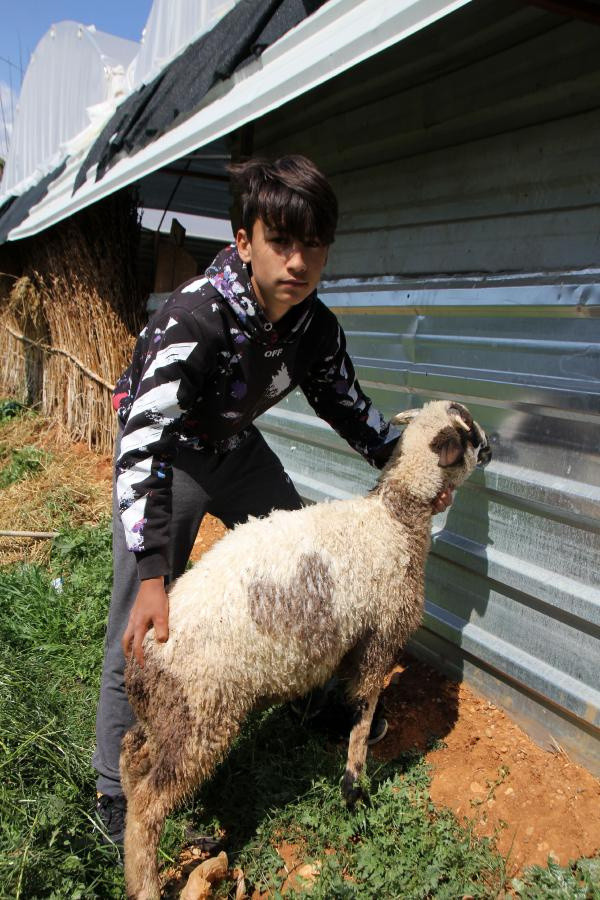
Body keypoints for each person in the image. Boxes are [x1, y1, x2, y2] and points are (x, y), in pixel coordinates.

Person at [93, 155, 452, 846]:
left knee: (305, 557)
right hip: (167, 455)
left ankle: (316, 695)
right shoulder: (194, 317)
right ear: (243, 239)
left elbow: (349, 407)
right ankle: (116, 783)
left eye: (312, 243)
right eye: (280, 241)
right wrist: (151, 571)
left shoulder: (312, 325)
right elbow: (142, 439)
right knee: (139, 622)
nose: (297, 260)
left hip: (231, 444)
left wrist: (408, 473)